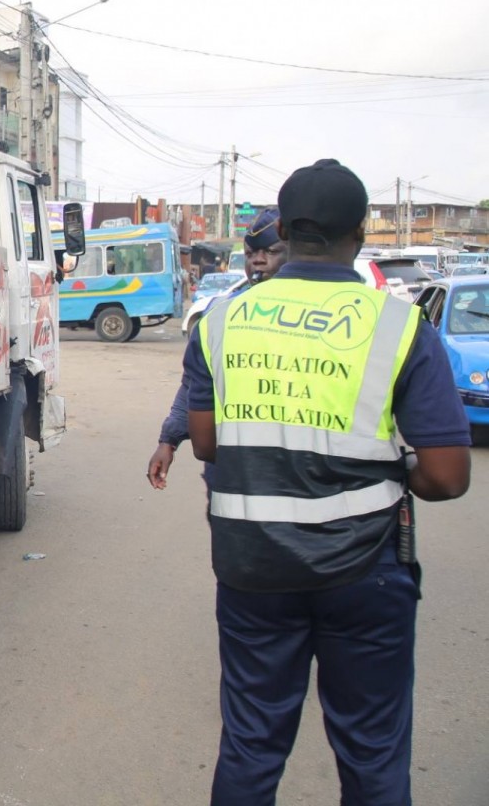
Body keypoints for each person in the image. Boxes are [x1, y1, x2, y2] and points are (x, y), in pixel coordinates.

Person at [184, 160, 470, 805]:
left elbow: (205, 442)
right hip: (365, 569)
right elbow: (448, 478)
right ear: (361, 234)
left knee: (252, 746)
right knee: (372, 754)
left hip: (252, 566)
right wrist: (399, 472)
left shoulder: (222, 321)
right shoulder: (399, 327)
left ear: (282, 231)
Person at [147, 207, 287, 489]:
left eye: (270, 252)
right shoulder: (221, 315)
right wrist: (169, 441)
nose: (258, 262)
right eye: (250, 254)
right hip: (233, 473)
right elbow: (193, 384)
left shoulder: (313, 317)